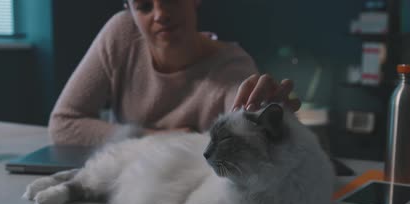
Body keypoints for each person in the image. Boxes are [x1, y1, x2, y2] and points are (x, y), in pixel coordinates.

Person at [49, 0, 300, 146]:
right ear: (130, 9)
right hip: (122, 180)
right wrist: (154, 139)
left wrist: (269, 119)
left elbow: (249, 128)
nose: (160, 14)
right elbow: (63, 124)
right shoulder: (121, 33)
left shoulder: (232, 67)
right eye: (144, 6)